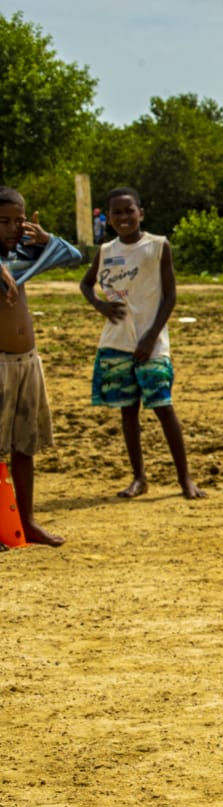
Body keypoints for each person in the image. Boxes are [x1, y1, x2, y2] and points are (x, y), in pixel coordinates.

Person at [80, 187, 205, 500]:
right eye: (117, 212)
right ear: (109, 218)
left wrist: (151, 336)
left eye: (129, 210)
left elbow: (170, 295)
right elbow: (86, 283)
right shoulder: (106, 249)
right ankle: (139, 478)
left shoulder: (158, 246)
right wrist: (100, 306)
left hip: (152, 343)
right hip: (117, 341)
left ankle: (185, 479)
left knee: (163, 406)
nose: (123, 217)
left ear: (141, 213)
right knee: (128, 410)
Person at [0, 188, 83, 547]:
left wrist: (47, 238)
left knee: (25, 444)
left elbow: (74, 255)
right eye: (3, 221)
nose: (13, 228)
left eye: (18, 221)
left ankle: (26, 521)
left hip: (27, 361)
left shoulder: (21, 256)